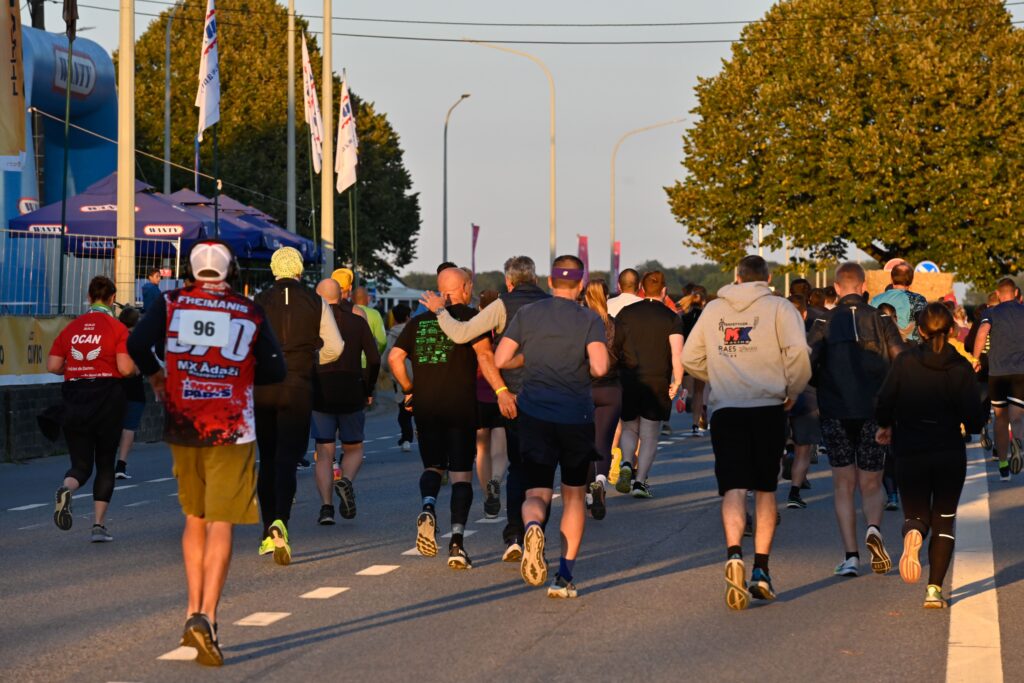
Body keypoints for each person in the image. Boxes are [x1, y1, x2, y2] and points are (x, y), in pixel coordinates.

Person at [127, 240, 286, 666]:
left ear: (191, 270)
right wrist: (235, 372)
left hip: (184, 422)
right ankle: (208, 617)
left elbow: (137, 343)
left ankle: (190, 609)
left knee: (194, 518)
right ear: (231, 271)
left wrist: (158, 376)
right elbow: (276, 368)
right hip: (232, 427)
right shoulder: (248, 310)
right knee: (222, 522)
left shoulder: (171, 303)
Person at [683, 255, 811, 609]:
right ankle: (761, 570)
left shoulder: (713, 310)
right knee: (766, 489)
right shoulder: (780, 308)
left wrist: (719, 375)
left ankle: (734, 553)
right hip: (768, 406)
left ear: (737, 277)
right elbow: (799, 353)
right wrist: (793, 388)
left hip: (726, 408)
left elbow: (690, 358)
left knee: (733, 487)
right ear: (767, 279)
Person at [418, 255, 550, 562]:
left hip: (515, 397)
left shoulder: (502, 305)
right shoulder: (552, 305)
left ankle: (515, 535)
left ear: (508, 282)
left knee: (517, 467)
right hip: (552, 397)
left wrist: (439, 310)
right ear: (536, 278)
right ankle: (537, 527)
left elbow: (463, 334)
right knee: (542, 473)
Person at [494, 255, 610, 598]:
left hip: (534, 416)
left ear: (549, 280)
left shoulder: (528, 314)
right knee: (573, 496)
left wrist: (529, 358)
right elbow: (601, 368)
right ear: (581, 284)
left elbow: (501, 359)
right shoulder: (589, 318)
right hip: (575, 416)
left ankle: (532, 526)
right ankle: (564, 576)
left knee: (536, 492)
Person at [389, 267, 515, 570]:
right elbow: (484, 356)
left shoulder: (418, 322)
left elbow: (394, 358)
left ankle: (428, 507)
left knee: (433, 466)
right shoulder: (473, 319)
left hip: (426, 405)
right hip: (460, 406)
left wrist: (409, 389)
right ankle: (457, 543)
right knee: (461, 475)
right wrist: (501, 390)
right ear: (466, 288)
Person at [875, 304, 986, 608]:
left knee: (916, 514)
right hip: (948, 449)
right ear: (951, 330)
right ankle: (934, 590)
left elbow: (884, 400)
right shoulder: (960, 368)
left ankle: (913, 532)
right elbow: (974, 421)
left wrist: (885, 425)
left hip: (910, 448)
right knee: (944, 520)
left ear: (920, 330)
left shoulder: (905, 362)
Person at [808, 262, 905, 578]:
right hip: (874, 410)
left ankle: (850, 556)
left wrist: (819, 385)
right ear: (864, 287)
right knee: (871, 482)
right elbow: (900, 358)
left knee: (843, 484)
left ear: (837, 288)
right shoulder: (881, 319)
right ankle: (873, 528)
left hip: (835, 409)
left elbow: (808, 362)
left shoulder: (823, 321)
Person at [254, 246, 343, 565]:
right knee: (288, 459)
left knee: (267, 458)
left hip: (263, 387)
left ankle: (268, 530)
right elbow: (335, 346)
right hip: (299, 385)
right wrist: (312, 359)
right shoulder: (316, 301)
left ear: (273, 270)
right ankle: (282, 521)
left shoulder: (258, 302)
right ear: (300, 271)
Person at [47, 275, 136, 542]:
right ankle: (98, 526)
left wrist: (77, 368)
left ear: (89, 297)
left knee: (81, 465)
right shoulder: (117, 328)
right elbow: (125, 369)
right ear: (112, 299)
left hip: (75, 397)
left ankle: (67, 489)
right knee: (105, 462)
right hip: (107, 398)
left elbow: (53, 366)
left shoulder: (71, 328)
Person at [311, 278, 381, 525]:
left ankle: (326, 508)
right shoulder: (357, 322)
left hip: (320, 390)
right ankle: (346, 481)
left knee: (324, 452)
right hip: (352, 388)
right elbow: (374, 358)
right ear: (341, 295)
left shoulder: (312, 324)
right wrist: (368, 387)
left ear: (318, 298)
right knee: (354, 447)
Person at [612, 270, 684, 498]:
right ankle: (640, 481)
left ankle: (626, 462)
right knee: (650, 434)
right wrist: (677, 381)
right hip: (657, 380)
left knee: (629, 427)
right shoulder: (671, 317)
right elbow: (677, 353)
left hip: (629, 377)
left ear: (642, 289)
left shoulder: (626, 313)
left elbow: (615, 346)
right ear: (664, 290)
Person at [972, 277, 1024, 479]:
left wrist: (976, 358)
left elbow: (982, 332)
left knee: (1001, 418)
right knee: (1017, 416)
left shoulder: (991, 312)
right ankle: (1017, 443)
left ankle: (1003, 465)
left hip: (997, 372)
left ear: (998, 294)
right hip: (1020, 371)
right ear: (1016, 293)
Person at [584, 279, 621, 519]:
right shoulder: (616, 324)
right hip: (611, 388)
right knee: (603, 441)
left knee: (586, 443)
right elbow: (628, 357)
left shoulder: (581, 323)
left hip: (584, 388)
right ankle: (600, 481)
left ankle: (589, 494)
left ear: (585, 297)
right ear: (607, 297)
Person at [473, 289, 509, 519]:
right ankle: (496, 479)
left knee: (482, 449)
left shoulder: (475, 329)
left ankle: (488, 496)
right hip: (501, 393)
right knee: (500, 449)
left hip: (477, 394)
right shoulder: (505, 330)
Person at [783, 294, 820, 510]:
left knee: (771, 446)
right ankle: (794, 492)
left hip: (778, 396)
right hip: (807, 396)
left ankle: (763, 490)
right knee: (803, 449)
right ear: (804, 314)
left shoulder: (773, 339)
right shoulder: (812, 339)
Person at [115, 306, 145, 480]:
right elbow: (140, 369)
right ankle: (121, 464)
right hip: (134, 388)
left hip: (114, 387)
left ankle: (104, 463)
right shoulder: (137, 340)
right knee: (129, 427)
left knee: (113, 425)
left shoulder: (114, 337)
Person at [384, 303, 415, 451]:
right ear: (408, 317)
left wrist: (389, 372)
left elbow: (386, 360)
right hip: (419, 375)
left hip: (400, 378)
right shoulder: (415, 331)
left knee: (404, 412)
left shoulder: (392, 335)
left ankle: (406, 439)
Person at [679, 284, 708, 435]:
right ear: (703, 301)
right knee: (699, 392)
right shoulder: (706, 319)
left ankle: (684, 396)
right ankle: (695, 425)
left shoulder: (683, 318)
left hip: (686, 356)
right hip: (702, 358)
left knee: (687, 388)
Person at [871, 262, 927, 340]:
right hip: (912, 346)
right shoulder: (919, 300)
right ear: (911, 280)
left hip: (883, 345)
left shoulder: (875, 300)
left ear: (891, 279)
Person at [354, 286, 387, 355]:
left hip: (348, 359)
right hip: (368, 358)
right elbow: (382, 342)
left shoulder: (345, 312)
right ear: (367, 298)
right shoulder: (375, 314)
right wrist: (376, 354)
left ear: (352, 298)